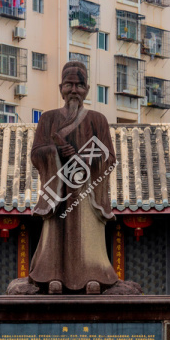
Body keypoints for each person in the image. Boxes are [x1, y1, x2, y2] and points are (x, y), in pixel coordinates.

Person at [22, 62, 119, 294]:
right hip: (58, 191)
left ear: (87, 89)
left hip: (85, 192)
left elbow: (110, 158)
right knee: (55, 232)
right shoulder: (48, 119)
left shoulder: (98, 120)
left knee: (88, 234)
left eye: (79, 85)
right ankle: (52, 276)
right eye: (69, 84)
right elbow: (36, 154)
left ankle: (93, 276)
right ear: (60, 88)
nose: (74, 90)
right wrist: (56, 154)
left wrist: (84, 159)